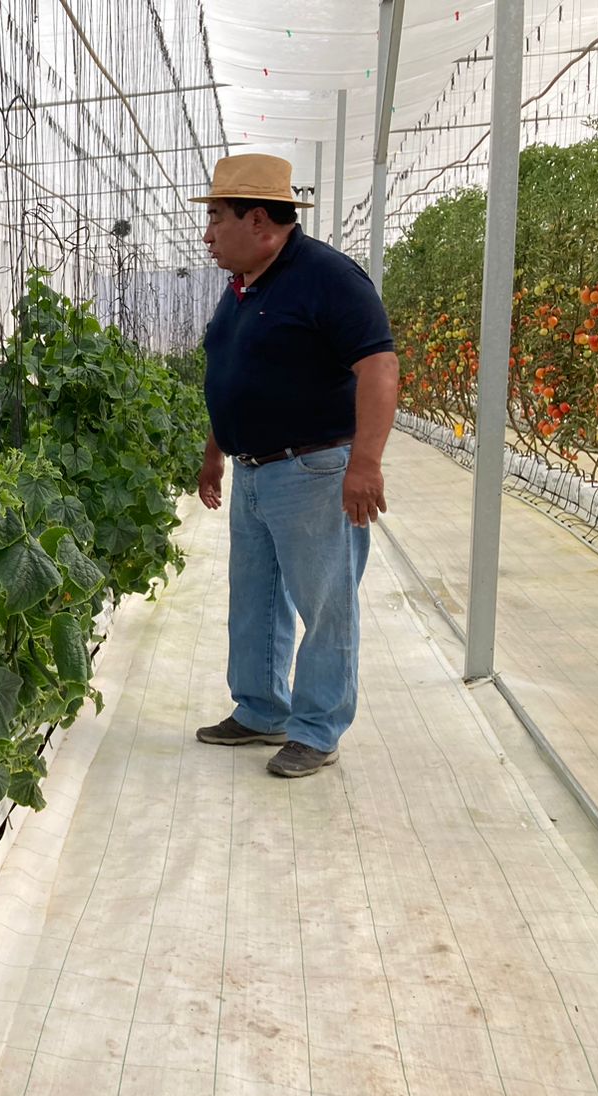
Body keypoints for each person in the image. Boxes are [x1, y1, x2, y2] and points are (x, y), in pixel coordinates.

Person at [190, 154, 399, 779]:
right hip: (254, 471)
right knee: (255, 597)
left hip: (314, 472)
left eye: (216, 218)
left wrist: (365, 463)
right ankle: (260, 710)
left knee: (325, 603)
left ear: (258, 220)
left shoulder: (329, 278)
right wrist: (215, 451)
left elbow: (379, 367)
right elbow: (228, 375)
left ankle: (316, 729)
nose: (207, 235)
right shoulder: (244, 289)